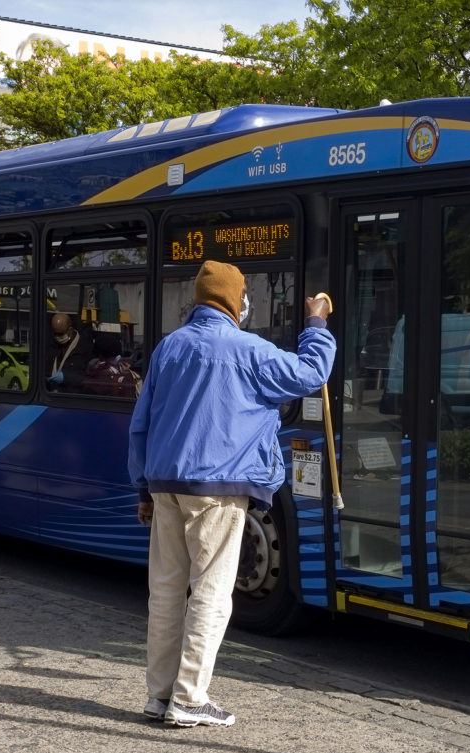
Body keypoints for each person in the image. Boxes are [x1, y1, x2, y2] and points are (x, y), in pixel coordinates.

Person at [128, 260, 334, 727]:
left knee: (164, 591)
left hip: (165, 486)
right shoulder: (247, 349)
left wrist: (142, 486)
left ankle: (158, 695)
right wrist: (317, 322)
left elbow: (140, 425)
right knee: (212, 591)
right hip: (218, 490)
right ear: (235, 302)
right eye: (245, 296)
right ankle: (190, 697)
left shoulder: (169, 348)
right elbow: (311, 372)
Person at [45, 313, 89, 393]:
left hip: (71, 396)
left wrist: (65, 377)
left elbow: (86, 378)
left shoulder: (84, 347)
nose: (57, 337)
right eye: (55, 334)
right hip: (50, 394)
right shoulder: (51, 344)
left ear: (70, 330)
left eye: (61, 334)